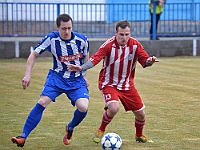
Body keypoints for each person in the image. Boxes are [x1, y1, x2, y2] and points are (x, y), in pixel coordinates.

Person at [67, 20, 159, 143]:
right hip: (108, 83)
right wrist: (82, 68)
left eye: (127, 34)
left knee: (141, 114)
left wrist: (150, 61)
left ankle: (139, 135)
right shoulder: (108, 45)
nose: (124, 37)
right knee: (114, 108)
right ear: (115, 32)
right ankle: (100, 130)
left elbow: (145, 60)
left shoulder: (135, 45)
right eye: (121, 34)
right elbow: (95, 58)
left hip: (127, 85)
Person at [11, 13, 90, 147]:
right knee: (42, 101)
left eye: (69, 28)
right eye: (63, 28)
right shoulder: (51, 39)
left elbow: (86, 58)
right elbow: (33, 55)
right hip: (57, 78)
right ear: (57, 27)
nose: (67, 31)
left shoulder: (82, 40)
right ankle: (23, 136)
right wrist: (27, 74)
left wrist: (84, 75)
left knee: (83, 107)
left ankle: (70, 128)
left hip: (76, 80)